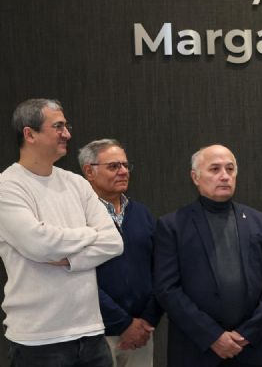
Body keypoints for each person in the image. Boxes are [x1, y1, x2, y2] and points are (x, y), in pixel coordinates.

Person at [0, 98, 123, 367]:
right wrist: (90, 233)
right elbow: (38, 244)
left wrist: (70, 260)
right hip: (38, 341)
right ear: (29, 134)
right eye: (58, 126)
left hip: (91, 335)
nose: (67, 134)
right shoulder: (8, 187)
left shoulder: (76, 183)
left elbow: (113, 242)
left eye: (66, 126)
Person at [154, 144, 262, 367]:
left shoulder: (259, 221)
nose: (224, 176)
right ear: (195, 177)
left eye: (230, 169)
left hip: (249, 347)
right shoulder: (173, 225)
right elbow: (167, 289)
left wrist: (247, 333)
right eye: (214, 169)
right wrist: (212, 336)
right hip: (196, 348)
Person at [78, 139, 164, 367]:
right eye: (114, 166)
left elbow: (161, 269)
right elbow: (76, 277)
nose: (124, 171)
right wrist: (124, 323)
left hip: (142, 332)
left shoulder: (141, 213)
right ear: (89, 171)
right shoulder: (77, 217)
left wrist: (147, 320)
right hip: (95, 333)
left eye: (126, 165)